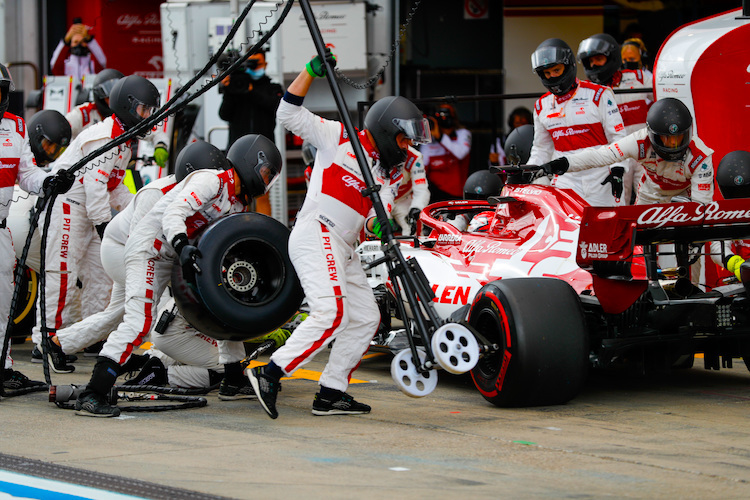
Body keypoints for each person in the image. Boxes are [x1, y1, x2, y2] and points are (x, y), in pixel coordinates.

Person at [247, 51, 431, 419]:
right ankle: (270, 373)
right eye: (404, 140)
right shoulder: (338, 136)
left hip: (344, 248)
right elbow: (286, 115)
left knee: (366, 318)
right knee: (330, 312)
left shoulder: (385, 177)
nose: (408, 149)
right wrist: (308, 72)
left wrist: (375, 226)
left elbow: (365, 225)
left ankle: (331, 392)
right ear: (385, 130)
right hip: (316, 233)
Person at [74, 134, 282, 417]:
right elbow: (175, 211)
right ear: (251, 161)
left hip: (174, 255)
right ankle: (93, 393)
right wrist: (183, 245)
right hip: (150, 249)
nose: (266, 181)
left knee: (225, 308)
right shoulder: (212, 180)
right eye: (267, 172)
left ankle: (233, 380)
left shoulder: (236, 203)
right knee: (138, 322)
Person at [41, 140, 228, 373]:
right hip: (121, 247)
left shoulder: (203, 195)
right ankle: (154, 358)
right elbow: (142, 243)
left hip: (138, 249)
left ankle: (58, 344)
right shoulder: (156, 193)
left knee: (116, 314)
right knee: (154, 305)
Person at [31, 76, 161, 358]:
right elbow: (95, 186)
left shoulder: (123, 141)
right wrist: (105, 226)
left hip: (87, 211)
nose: (148, 116)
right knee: (61, 274)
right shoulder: (103, 137)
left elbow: (114, 188)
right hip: (65, 205)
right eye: (144, 110)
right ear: (128, 106)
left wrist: (142, 210)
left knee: (103, 276)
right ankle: (47, 340)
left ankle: (88, 338)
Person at [0, 64, 74, 390]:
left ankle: (1, 370)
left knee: (2, 307)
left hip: (1, 230)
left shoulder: (15, 127)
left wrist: (50, 180)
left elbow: (27, 175)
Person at [539, 98, 714, 206]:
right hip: (650, 193)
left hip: (684, 195)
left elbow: (702, 204)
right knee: (638, 242)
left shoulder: (701, 157)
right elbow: (601, 156)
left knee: (694, 250)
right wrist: (560, 164)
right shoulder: (638, 141)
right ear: (652, 134)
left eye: (678, 138)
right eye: (666, 139)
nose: (673, 144)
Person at [527, 38, 628, 207]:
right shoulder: (540, 106)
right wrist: (528, 171)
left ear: (569, 66)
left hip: (602, 179)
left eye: (556, 70)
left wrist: (619, 169)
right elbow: (541, 148)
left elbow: (618, 138)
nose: (552, 76)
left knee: (608, 229)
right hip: (566, 182)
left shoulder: (599, 95)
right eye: (547, 73)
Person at [577, 33, 653, 204]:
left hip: (645, 151)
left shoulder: (639, 77)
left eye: (598, 58)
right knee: (618, 202)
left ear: (612, 57)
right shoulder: (586, 92)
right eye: (590, 61)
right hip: (615, 156)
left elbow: (664, 98)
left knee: (650, 201)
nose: (593, 64)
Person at [65, 69, 170, 168]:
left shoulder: (129, 118)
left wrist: (160, 147)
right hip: (83, 171)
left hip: (118, 170)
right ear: (100, 97)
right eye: (108, 97)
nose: (112, 100)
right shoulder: (84, 113)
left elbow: (157, 133)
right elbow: (62, 130)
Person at [710, 151, 750, 279]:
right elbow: (717, 246)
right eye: (735, 192)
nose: (741, 196)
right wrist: (736, 264)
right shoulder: (725, 212)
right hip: (744, 275)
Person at [421, 103, 472, 202]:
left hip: (457, 195)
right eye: (440, 117)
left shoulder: (463, 133)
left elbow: (461, 153)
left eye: (447, 116)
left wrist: (440, 137)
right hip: (434, 195)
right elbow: (422, 169)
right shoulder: (429, 141)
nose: (444, 120)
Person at [391, 146, 429, 236]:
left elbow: (421, 189)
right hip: (379, 199)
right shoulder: (373, 154)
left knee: (414, 225)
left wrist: (416, 207)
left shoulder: (414, 157)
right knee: (370, 228)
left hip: (403, 198)